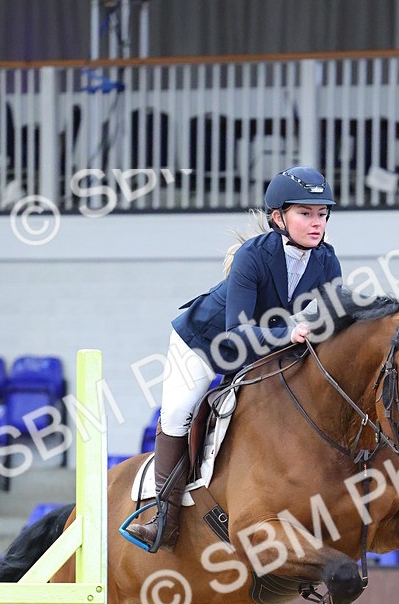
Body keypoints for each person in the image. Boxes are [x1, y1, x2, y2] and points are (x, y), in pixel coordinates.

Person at [127, 166, 342, 553]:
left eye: (322, 214)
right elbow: (235, 333)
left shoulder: (327, 262)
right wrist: (287, 333)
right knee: (178, 412)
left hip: (268, 349)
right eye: (305, 214)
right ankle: (163, 515)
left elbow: (330, 320)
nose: (317, 223)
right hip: (206, 343)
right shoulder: (252, 257)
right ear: (278, 218)